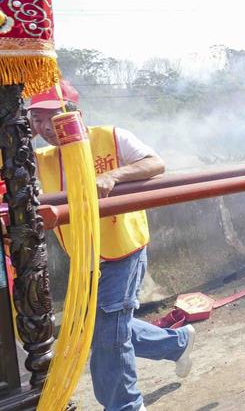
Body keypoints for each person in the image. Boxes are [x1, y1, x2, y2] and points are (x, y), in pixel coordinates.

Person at [29, 81, 195, 411]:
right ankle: (177, 343)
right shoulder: (39, 159)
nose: (46, 127)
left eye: (53, 117)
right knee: (105, 328)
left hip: (123, 251)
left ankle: (125, 406)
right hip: (85, 258)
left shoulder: (111, 136)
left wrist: (115, 176)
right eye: (37, 119)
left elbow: (155, 164)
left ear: (75, 114)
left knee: (106, 334)